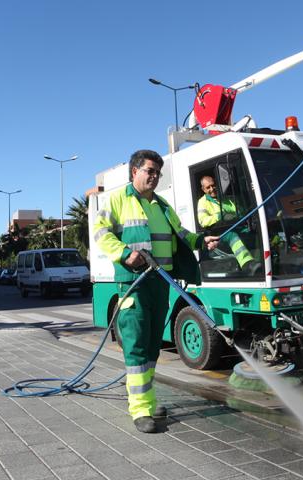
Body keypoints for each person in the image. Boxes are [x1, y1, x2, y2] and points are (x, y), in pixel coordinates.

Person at [93, 150, 219, 434]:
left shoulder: (162, 206)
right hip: (134, 285)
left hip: (161, 282)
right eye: (149, 170)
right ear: (134, 171)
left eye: (158, 173)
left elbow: (182, 234)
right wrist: (124, 253)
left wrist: (202, 241)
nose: (154, 176)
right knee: (137, 345)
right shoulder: (117, 199)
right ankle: (139, 409)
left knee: (152, 346)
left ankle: (148, 401)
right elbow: (100, 231)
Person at [197, 175, 259, 273]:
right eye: (208, 187)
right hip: (218, 234)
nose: (212, 189)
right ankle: (248, 263)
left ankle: (259, 262)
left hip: (236, 227)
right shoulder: (202, 202)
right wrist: (219, 216)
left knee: (254, 231)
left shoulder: (226, 198)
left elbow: (240, 211)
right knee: (232, 236)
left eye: (213, 185)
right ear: (203, 189)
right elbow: (203, 221)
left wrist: (234, 214)